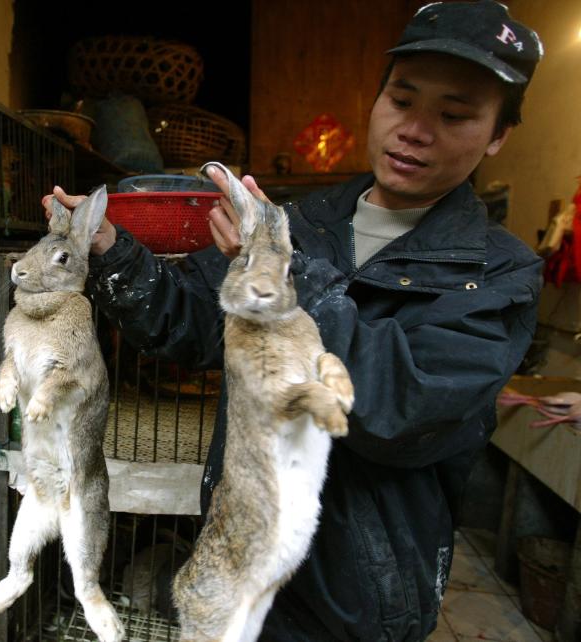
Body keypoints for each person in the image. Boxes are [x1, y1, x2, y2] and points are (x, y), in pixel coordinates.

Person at [42, 1, 544, 639]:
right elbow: (191, 320)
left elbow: (404, 407)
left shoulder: (499, 275)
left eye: (455, 114)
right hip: (243, 554)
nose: (415, 129)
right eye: (401, 99)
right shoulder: (306, 222)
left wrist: (283, 274)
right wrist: (113, 251)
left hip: (359, 599)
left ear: (498, 135)